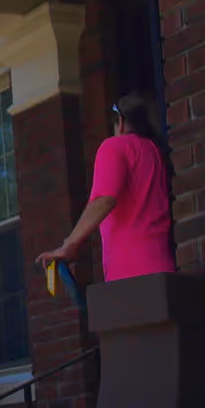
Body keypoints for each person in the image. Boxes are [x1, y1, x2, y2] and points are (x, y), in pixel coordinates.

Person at [36, 92, 176, 281]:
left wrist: (69, 245)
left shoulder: (114, 146)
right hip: (163, 267)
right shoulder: (154, 152)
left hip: (131, 273)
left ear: (120, 121)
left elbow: (104, 200)